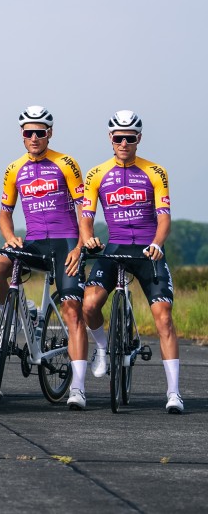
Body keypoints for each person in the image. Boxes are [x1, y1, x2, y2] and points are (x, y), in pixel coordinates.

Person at [0, 106, 89, 409]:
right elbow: (5, 212)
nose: (33, 137)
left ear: (49, 134)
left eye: (39, 132)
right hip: (33, 242)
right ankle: (18, 316)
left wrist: (79, 247)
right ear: (22, 134)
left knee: (72, 310)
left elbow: (85, 209)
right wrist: (9, 237)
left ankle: (78, 388)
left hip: (65, 241)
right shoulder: (14, 168)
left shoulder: (66, 163)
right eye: (28, 132)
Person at [79, 110, 182, 413]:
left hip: (147, 249)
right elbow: (86, 216)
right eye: (118, 138)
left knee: (163, 317)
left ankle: (174, 392)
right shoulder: (96, 173)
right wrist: (88, 238)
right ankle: (102, 348)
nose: (124, 143)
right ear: (110, 139)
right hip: (114, 246)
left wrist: (157, 244)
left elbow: (164, 218)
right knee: (88, 304)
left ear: (138, 139)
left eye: (130, 138)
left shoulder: (155, 171)